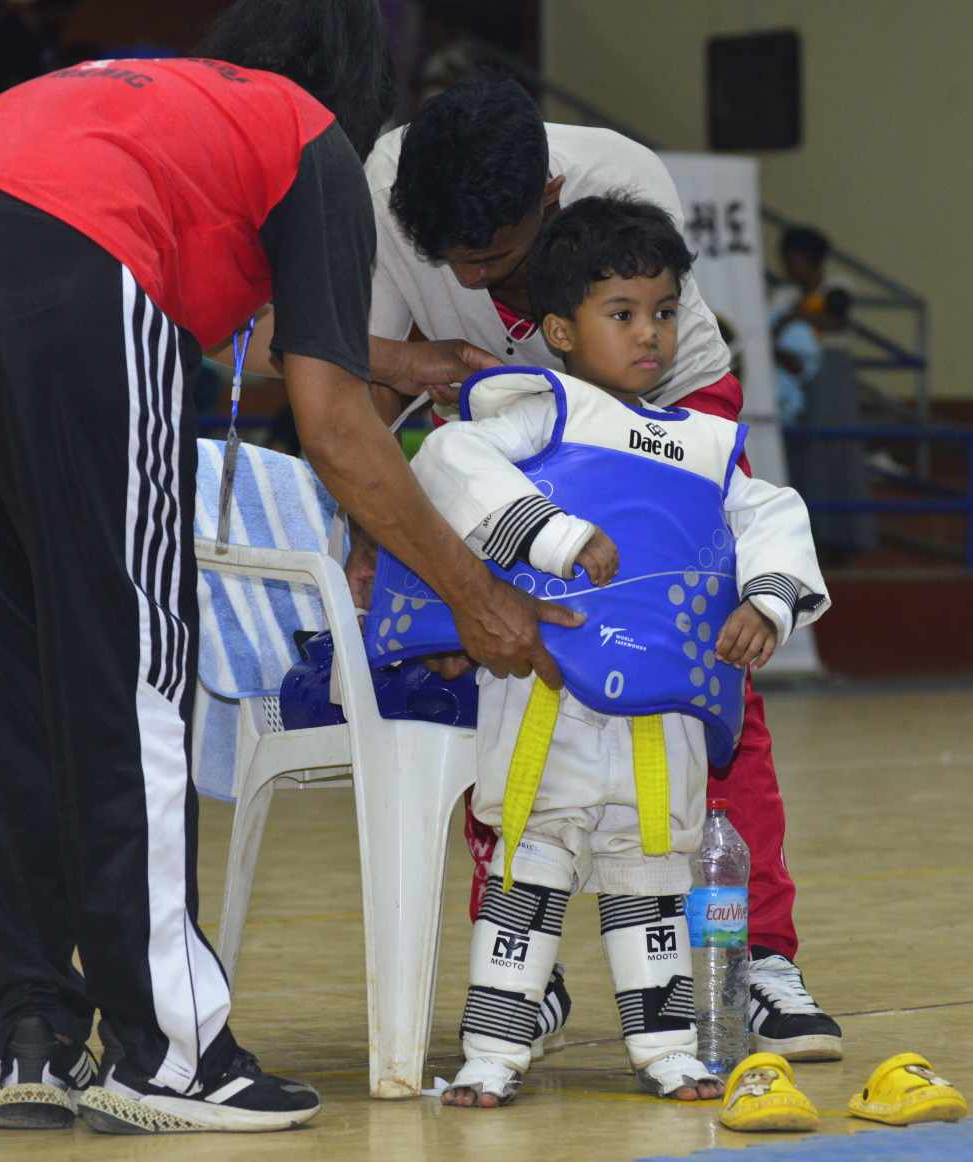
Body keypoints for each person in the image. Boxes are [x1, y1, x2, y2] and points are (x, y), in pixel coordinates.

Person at [0, 0, 580, 1136]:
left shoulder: (140, 93)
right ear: (354, 99)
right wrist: (477, 596)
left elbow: (261, 335)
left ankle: (29, 1027)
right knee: (127, 657)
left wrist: (396, 359)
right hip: (67, 262)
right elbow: (335, 428)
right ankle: (169, 1055)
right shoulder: (308, 137)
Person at [243, 77, 846, 1059]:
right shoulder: (387, 187)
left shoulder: (625, 180)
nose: (476, 281)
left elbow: (655, 390)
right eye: (454, 264)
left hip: (664, 413)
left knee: (697, 676)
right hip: (499, 423)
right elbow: (325, 364)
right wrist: (384, 502)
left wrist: (763, 592)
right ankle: (524, 969)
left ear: (552, 198)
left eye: (496, 259)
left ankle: (755, 958)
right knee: (496, 673)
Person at [375, 195, 827, 1106]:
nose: (649, 334)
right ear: (560, 331)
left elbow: (773, 514)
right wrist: (551, 534)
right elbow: (447, 461)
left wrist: (768, 601)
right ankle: (491, 1056)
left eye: (663, 311)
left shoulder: (708, 445)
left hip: (661, 719)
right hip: (549, 695)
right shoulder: (543, 411)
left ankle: (667, 1052)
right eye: (621, 313)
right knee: (528, 872)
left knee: (652, 876)